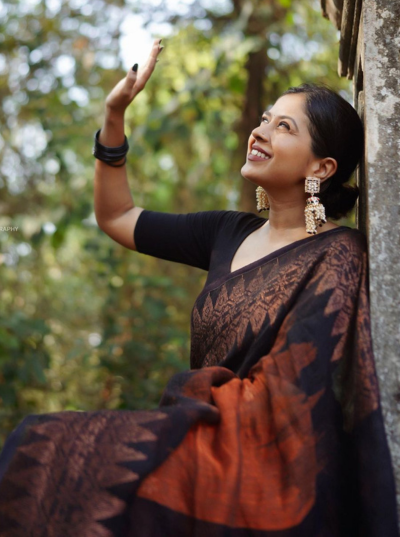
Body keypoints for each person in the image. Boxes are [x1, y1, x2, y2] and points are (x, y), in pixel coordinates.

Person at [0, 39, 398, 537]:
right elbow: (116, 215)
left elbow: (304, 390)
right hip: (199, 429)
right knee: (40, 451)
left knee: (54, 448)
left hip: (264, 461)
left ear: (322, 168)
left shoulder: (339, 255)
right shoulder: (225, 232)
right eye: (265, 118)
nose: (260, 130)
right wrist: (114, 112)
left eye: (284, 126)